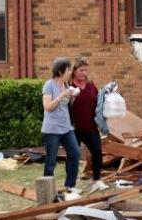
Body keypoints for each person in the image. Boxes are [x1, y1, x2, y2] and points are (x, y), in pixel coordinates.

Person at [41, 57, 81, 198]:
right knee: (51, 161)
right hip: (52, 129)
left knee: (75, 153)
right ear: (60, 70)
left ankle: (70, 186)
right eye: (68, 69)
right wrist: (63, 95)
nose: (70, 72)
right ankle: (46, 191)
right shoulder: (49, 85)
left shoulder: (66, 85)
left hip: (66, 127)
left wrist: (73, 96)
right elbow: (48, 107)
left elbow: (65, 106)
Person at [70, 58, 108, 193]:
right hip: (74, 128)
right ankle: (71, 185)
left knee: (97, 151)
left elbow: (99, 103)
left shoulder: (91, 85)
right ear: (74, 71)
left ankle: (97, 180)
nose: (84, 73)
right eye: (81, 70)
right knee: (73, 155)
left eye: (85, 70)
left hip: (91, 126)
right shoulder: (69, 87)